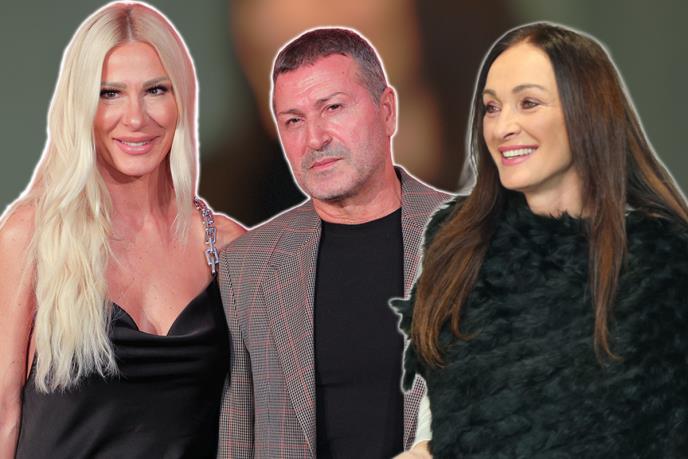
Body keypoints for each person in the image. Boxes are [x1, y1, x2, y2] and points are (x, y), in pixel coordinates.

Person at [394, 22, 688, 458]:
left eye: (528, 103)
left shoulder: (663, 269)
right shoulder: (458, 246)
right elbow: (439, 425)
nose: (502, 127)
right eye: (492, 108)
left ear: (586, 110)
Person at [0, 2, 245, 458]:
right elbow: (3, 411)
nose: (135, 118)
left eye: (155, 90)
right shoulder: (33, 234)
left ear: (181, 100)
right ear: (80, 106)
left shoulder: (227, 247)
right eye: (109, 93)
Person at [218, 28, 451, 458]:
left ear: (387, 111)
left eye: (333, 108)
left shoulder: (473, 236)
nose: (315, 138)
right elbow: (234, 436)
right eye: (294, 120)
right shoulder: (246, 266)